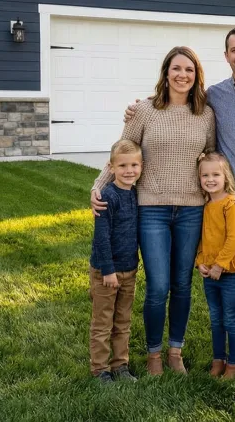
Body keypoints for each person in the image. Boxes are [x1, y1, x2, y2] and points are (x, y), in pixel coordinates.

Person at [124, 27, 235, 367]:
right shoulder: (214, 98)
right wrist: (135, 108)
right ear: (226, 56)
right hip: (229, 207)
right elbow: (171, 112)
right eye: (234, 50)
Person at [90, 46, 215, 376]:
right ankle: (154, 355)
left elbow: (211, 157)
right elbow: (121, 150)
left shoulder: (206, 114)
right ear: (166, 72)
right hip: (152, 210)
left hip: (191, 210)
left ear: (196, 75)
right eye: (176, 68)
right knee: (158, 286)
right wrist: (99, 186)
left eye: (189, 70)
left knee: (183, 285)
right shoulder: (144, 110)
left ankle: (176, 351)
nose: (182, 75)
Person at [89, 139, 142, 384]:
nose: (129, 170)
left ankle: (120, 365)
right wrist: (108, 270)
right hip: (106, 271)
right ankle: (100, 369)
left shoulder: (135, 194)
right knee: (103, 322)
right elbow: (101, 237)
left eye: (134, 165)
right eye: (122, 166)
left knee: (123, 321)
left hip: (129, 270)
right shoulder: (107, 196)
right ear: (111, 168)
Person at [195, 152, 235, 380]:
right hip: (210, 273)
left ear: (225, 176)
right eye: (205, 175)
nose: (210, 179)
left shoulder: (231, 204)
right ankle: (219, 359)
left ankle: (234, 363)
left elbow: (234, 239)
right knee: (215, 318)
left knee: (230, 318)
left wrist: (219, 265)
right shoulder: (206, 205)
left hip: (231, 272)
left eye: (215, 174)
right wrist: (200, 262)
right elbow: (202, 239)